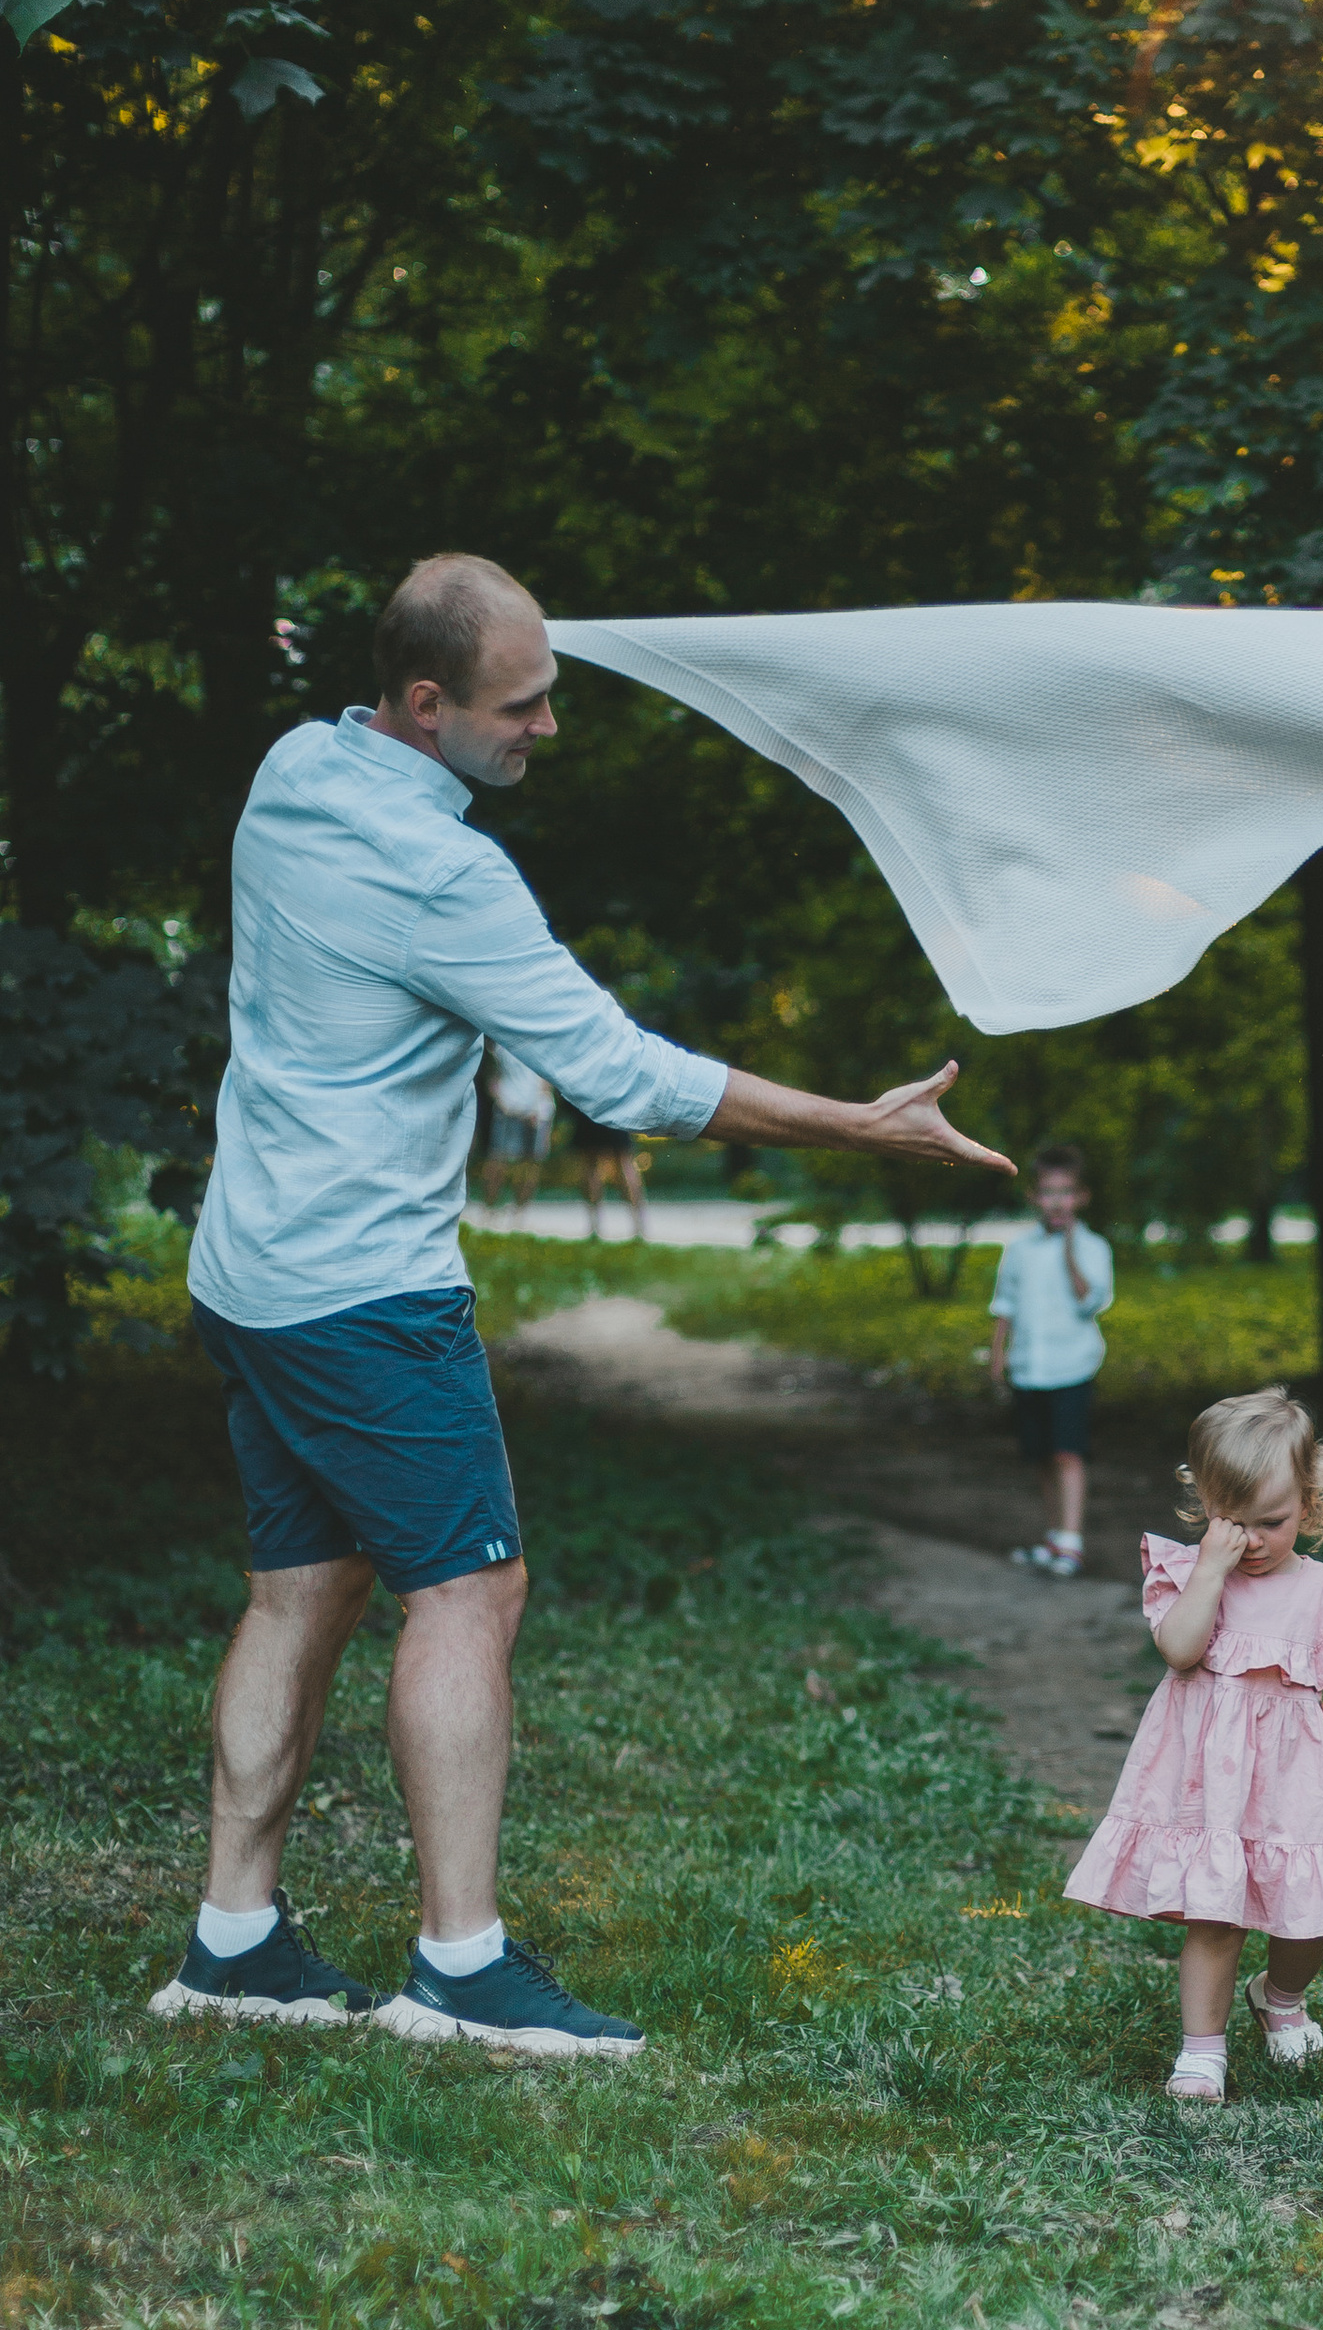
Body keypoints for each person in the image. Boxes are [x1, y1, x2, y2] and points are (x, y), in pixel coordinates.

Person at [155, 549, 1011, 2059]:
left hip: (251, 1272)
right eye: (521, 704)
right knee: (470, 1592)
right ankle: (462, 1969)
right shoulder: (446, 872)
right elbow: (628, 1078)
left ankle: (232, 1946)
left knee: (302, 1589)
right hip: (364, 1291)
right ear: (427, 705)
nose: (549, 726)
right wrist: (870, 1127)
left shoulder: (290, 768)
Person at [1065, 1386, 1323, 2102]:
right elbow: (1180, 1650)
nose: (1253, 1540)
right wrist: (1209, 1569)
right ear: (1204, 1503)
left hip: (1293, 1781)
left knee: (1306, 1913)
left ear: (1311, 1506)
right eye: (1235, 1522)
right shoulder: (1194, 1577)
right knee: (1216, 1913)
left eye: (1273, 1522)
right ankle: (1202, 2052)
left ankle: (1281, 1993)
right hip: (1208, 1781)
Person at [988, 1143, 1114, 1576]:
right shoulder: (1019, 1250)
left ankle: (1073, 1542)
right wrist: (997, 1354)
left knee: (1068, 1453)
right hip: (1030, 1368)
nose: (1056, 1201)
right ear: (1034, 1197)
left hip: (1072, 1366)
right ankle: (1054, 1536)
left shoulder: (1094, 1248)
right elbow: (1004, 1302)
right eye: (1048, 1192)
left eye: (1066, 1192)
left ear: (1081, 1197)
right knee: (1041, 1455)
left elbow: (1089, 1301)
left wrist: (1069, 1250)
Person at [478, 1043, 555, 1211]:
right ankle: (489, 1209)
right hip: (508, 1108)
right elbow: (492, 1074)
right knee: (498, 1160)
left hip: (538, 1112)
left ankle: (519, 1213)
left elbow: (548, 1077)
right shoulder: (500, 1043)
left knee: (531, 1163)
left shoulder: (542, 1042)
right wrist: (499, 1097)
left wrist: (536, 1106)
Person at [559, 1102, 649, 1241]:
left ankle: (595, 1226)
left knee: (591, 1164)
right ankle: (639, 1225)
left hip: (589, 1107)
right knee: (624, 1162)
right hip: (615, 1107)